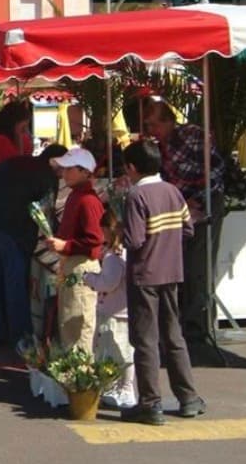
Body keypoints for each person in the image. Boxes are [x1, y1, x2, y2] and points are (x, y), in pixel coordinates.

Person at [120, 139, 205, 425]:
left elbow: (134, 240)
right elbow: (188, 229)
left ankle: (150, 404)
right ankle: (188, 398)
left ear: (132, 167)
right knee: (173, 335)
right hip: (172, 272)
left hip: (145, 275)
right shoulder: (172, 191)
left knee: (145, 340)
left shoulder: (135, 196)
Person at [143, 98, 226, 343]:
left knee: (198, 264)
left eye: (153, 125)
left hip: (204, 202)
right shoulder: (161, 146)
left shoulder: (192, 136)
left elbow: (216, 170)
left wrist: (198, 201)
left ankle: (197, 324)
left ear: (168, 121)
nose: (151, 130)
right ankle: (178, 321)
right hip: (182, 206)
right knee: (179, 263)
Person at [0, 143, 65, 347]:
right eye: (64, 166)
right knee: (14, 279)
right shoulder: (47, 176)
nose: (65, 173)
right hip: (11, 228)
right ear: (55, 162)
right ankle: (19, 336)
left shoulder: (15, 162)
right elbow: (46, 213)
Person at [47, 147, 104, 354]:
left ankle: (80, 374)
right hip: (73, 263)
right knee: (69, 319)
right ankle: (73, 374)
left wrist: (66, 245)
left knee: (78, 320)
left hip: (82, 265)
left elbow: (95, 239)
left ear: (84, 172)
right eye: (64, 169)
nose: (64, 173)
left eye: (69, 169)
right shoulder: (77, 196)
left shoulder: (87, 200)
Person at [83, 209, 136, 410]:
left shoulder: (113, 257)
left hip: (114, 312)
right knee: (124, 352)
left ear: (107, 230)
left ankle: (124, 389)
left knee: (116, 352)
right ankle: (120, 386)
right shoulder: (127, 253)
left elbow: (108, 283)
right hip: (124, 309)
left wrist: (89, 278)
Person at [0, 101, 34, 180]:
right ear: (13, 124)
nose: (26, 131)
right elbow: (17, 167)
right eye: (23, 127)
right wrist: (19, 139)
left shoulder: (15, 139)